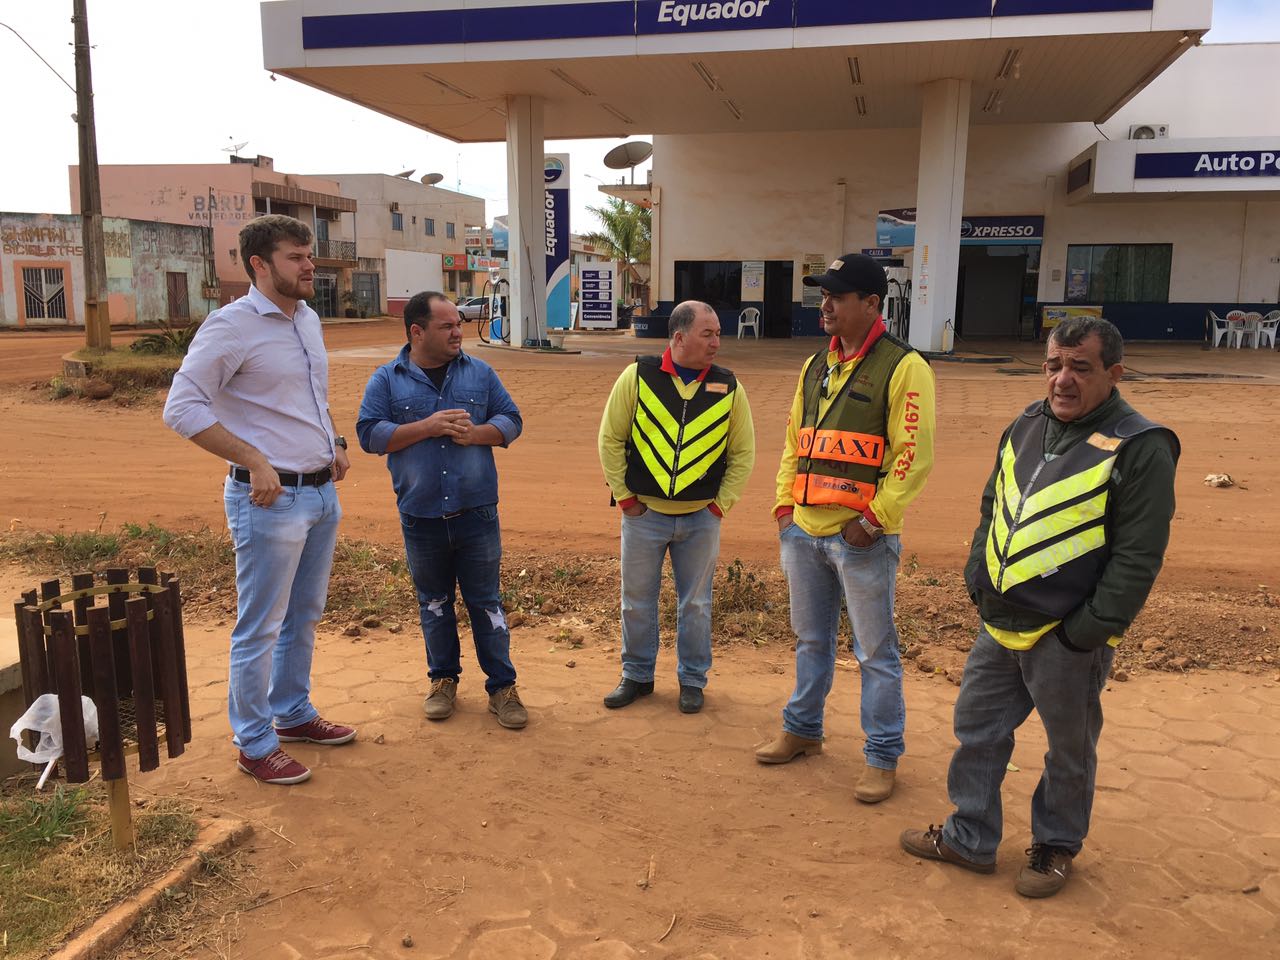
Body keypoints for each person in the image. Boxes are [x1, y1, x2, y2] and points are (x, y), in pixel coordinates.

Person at [900, 316, 1179, 898]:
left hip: (1066, 636)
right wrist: (979, 577)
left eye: (1080, 366)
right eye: (1054, 365)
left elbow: (1138, 557)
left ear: (1114, 373)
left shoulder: (1141, 444)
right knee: (976, 730)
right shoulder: (1026, 423)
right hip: (1000, 622)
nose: (1062, 380)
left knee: (1067, 748)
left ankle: (1055, 847)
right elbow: (991, 503)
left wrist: (1086, 632)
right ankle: (969, 836)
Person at [163, 214, 354, 786]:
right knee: (260, 626)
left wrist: (335, 441)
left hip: (320, 494)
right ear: (259, 265)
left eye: (309, 256)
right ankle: (253, 741)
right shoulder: (232, 327)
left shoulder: (308, 320)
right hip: (269, 501)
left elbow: (306, 400)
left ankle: (292, 712)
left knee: (304, 615)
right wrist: (253, 460)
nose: (309, 266)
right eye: (296, 257)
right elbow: (182, 407)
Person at [756, 254, 935, 805]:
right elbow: (794, 442)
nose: (825, 305)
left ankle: (882, 756)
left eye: (837, 296)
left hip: (861, 540)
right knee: (810, 641)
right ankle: (803, 729)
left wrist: (873, 520)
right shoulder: (815, 366)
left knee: (874, 651)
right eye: (822, 295)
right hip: (804, 533)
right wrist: (785, 512)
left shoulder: (904, 368)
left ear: (872, 304)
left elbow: (913, 456)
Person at [356, 292, 527, 729]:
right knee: (433, 603)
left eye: (459, 324)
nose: (458, 332)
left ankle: (502, 688)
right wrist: (426, 427)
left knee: (486, 603)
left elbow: (511, 419)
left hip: (477, 514)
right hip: (421, 516)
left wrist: (481, 434)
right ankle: (443, 680)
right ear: (417, 332)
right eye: (447, 325)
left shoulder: (480, 373)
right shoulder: (387, 380)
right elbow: (369, 435)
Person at [597, 300, 756, 713]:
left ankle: (693, 680)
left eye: (718, 333)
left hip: (701, 519)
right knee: (636, 600)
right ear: (679, 337)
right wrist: (627, 498)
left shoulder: (729, 386)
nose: (717, 342)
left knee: (697, 604)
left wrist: (720, 506)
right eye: (708, 334)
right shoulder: (637, 376)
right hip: (643, 517)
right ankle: (637, 675)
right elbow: (610, 439)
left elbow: (743, 453)